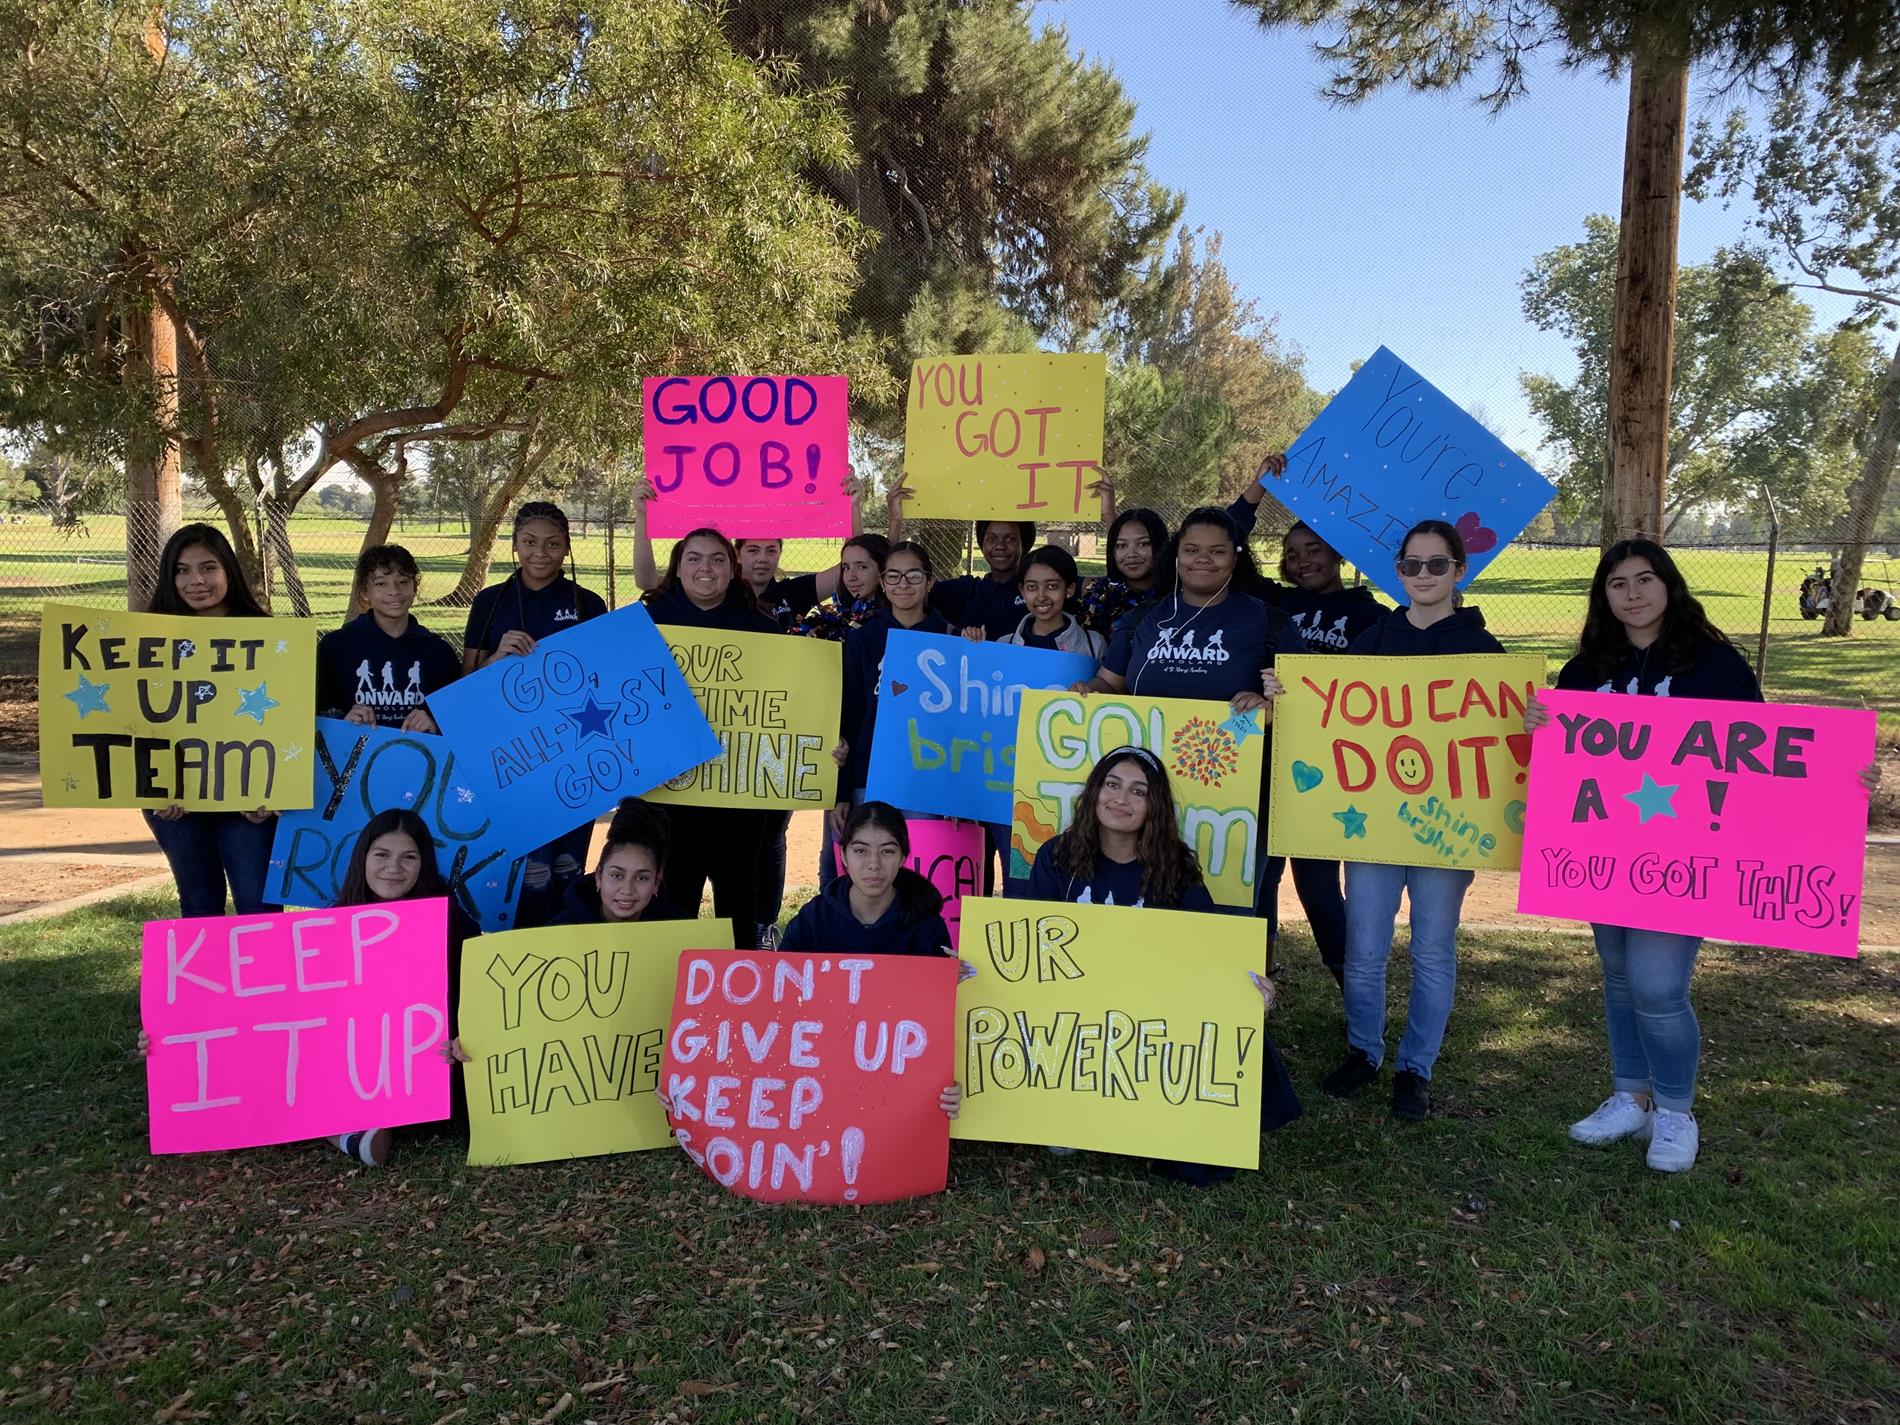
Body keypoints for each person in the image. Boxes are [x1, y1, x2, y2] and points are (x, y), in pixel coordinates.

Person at [1524, 538, 1882, 1174]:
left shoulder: (1716, 666)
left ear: (1668, 585)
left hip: (1686, 862)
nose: (1632, 594)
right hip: (1605, 855)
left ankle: (1675, 1111)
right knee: (1618, 976)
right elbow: (1561, 765)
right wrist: (1540, 731)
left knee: (1658, 987)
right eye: (1617, 583)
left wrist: (1842, 778)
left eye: (1644, 580)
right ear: (1602, 595)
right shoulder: (1585, 671)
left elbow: (1770, 763)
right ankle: (1630, 1096)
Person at [1299, 519, 1504, 1124]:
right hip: (1376, 823)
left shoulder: (1485, 652)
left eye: (1436, 565)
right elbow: (1330, 705)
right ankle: (1364, 1051)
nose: (1422, 576)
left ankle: (1417, 1067)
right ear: (1398, 571)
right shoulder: (1374, 637)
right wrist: (1290, 692)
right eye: (1411, 565)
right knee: (1364, 950)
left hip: (1447, 826)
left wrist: (1530, 720)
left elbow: (1497, 732)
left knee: (1432, 950)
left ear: (1459, 571)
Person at [140, 810, 475, 1168]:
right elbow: (273, 1008)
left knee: (441, 1105)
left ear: (423, 864)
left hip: (431, 1063)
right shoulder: (332, 924)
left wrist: (465, 1037)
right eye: (381, 854)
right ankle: (342, 1128)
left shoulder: (451, 921)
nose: (394, 867)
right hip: (355, 1059)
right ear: (362, 857)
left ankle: (339, 1126)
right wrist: (171, 1032)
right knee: (279, 1051)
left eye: (409, 857)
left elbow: (473, 994)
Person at [1077, 505, 1304, 927]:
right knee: (1149, 906)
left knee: (1225, 915)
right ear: (1175, 556)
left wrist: (1265, 709)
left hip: (1233, 799)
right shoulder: (1143, 619)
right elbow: (1112, 682)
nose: (1203, 559)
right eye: (1192, 549)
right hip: (1146, 795)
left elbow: (1301, 703)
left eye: (1217, 551)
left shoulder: (1268, 623)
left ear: (1236, 557)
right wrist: (1087, 692)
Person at [461, 501, 608, 924]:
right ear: (514, 545)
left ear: (566, 548)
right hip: (512, 755)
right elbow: (465, 685)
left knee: (566, 864)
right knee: (530, 869)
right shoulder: (490, 602)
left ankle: (567, 939)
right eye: (529, 542)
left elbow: (605, 677)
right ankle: (517, 943)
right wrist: (496, 659)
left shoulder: (587, 603)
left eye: (552, 543)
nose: (539, 552)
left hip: (574, 751)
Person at [641, 527, 783, 950]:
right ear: (678, 567)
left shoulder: (761, 626)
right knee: (673, 896)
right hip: (669, 792)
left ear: (732, 568)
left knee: (738, 898)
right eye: (695, 558)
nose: (706, 568)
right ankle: (667, 990)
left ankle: (736, 994)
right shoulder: (648, 622)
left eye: (717, 559)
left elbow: (785, 708)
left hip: (736, 793)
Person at [1263, 521, 1389, 986]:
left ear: (1338, 554)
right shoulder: (1277, 604)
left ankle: (1351, 982)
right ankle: (1263, 974)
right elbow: (1223, 545)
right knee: (1262, 878)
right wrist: (1256, 491)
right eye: (1292, 554)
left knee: (1316, 884)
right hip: (1271, 758)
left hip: (1328, 766)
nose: (1303, 561)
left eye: (1314, 549)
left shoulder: (1368, 614)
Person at [141, 523, 281, 917]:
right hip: (176, 799)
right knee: (199, 903)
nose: (196, 580)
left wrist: (275, 794)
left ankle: (265, 980)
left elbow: (292, 720)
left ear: (228, 572)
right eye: (182, 570)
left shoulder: (267, 635)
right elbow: (135, 721)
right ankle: (206, 981)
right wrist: (154, 790)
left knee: (260, 905)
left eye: (208, 567)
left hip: (249, 799)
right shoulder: (147, 638)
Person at [829, 541, 952, 889]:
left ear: (930, 581)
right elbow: (849, 716)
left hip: (927, 779)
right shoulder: (864, 639)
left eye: (913, 575)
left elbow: (959, 724)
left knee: (920, 874)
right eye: (894, 576)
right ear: (883, 583)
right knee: (870, 870)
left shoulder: (950, 637)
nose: (903, 584)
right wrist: (841, 792)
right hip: (870, 775)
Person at [1024, 747, 1215, 910]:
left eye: (1138, 791)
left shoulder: (1175, 865)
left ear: (1155, 805)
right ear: (1095, 791)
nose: (1121, 799)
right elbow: (1035, 932)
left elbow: (1204, 939)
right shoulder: (1056, 854)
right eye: (1112, 785)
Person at [781, 800, 956, 957]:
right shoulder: (814, 919)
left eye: (887, 851)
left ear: (902, 857)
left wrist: (951, 978)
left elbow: (937, 989)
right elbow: (781, 978)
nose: (874, 863)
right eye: (860, 850)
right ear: (843, 855)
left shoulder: (926, 925)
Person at [316, 544, 460, 731]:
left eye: (403, 582)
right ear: (364, 592)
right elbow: (313, 712)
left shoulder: (438, 652)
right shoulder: (335, 647)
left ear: (414, 588)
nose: (394, 591)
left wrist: (434, 723)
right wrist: (342, 720)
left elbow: (459, 717)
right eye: (381, 583)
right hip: (351, 755)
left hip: (419, 755)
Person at [548, 797, 690, 926]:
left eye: (642, 878)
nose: (627, 890)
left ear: (656, 882)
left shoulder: (682, 930)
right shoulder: (559, 931)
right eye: (617, 875)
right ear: (598, 876)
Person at [997, 546, 1108, 658]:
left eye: (1052, 586)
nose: (1041, 597)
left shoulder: (1094, 644)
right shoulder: (1004, 645)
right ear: (1022, 591)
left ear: (1069, 589)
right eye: (1032, 587)